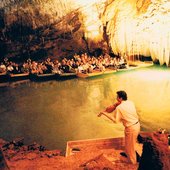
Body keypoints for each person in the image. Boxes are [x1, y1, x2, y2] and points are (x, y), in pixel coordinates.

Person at [98, 90, 140, 164]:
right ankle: (129, 155)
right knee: (129, 145)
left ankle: (132, 162)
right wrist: (115, 105)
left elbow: (116, 121)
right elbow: (117, 105)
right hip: (136, 125)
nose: (116, 98)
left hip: (131, 128)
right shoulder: (130, 102)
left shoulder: (119, 108)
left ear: (120, 98)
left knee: (130, 148)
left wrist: (104, 113)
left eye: (117, 97)